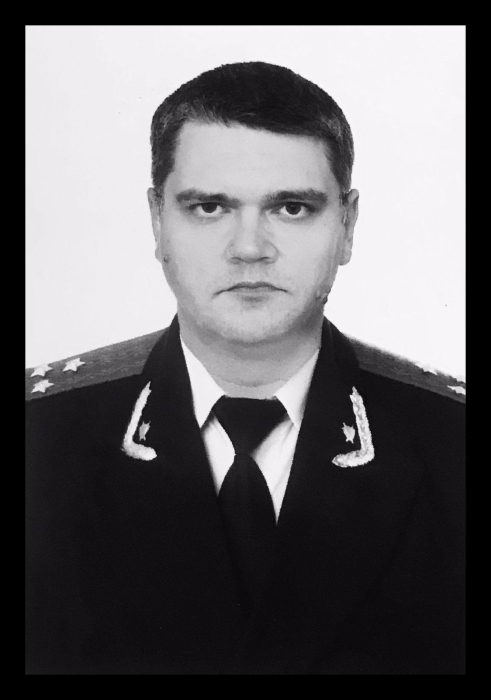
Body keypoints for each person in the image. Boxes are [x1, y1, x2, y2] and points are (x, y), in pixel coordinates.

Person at [25, 61, 465, 675]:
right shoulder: (40, 437)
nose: (250, 248)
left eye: (292, 208)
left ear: (347, 225)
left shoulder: (451, 442)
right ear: (157, 221)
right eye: (209, 207)